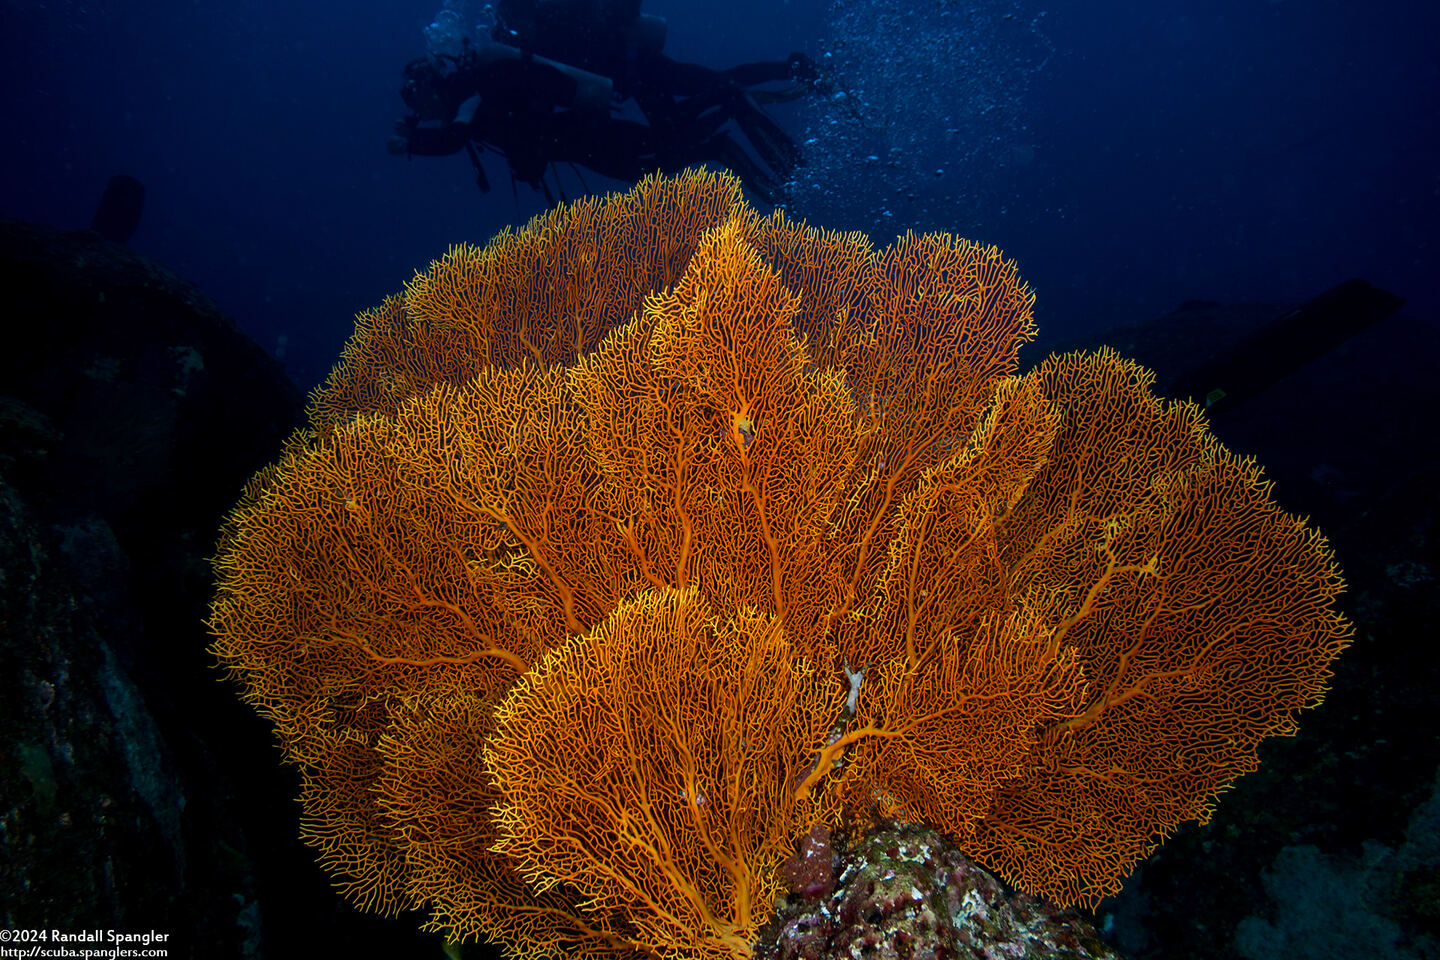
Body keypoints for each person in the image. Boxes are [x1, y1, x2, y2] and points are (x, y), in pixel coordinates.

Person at [388, 0, 823, 204]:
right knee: (669, 142)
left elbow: (454, 137)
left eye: (415, 97)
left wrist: (413, 143)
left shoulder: (473, 89)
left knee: (677, 130)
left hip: (616, 91)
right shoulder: (488, 75)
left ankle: (741, 104)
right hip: (608, 98)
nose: (416, 107)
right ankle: (762, 91)